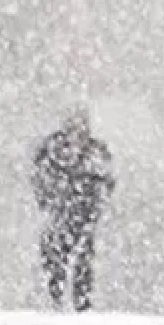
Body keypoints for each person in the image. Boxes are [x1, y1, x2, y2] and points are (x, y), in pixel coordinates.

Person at [31, 105, 115, 312]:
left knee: (82, 260)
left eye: (81, 125)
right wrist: (48, 198)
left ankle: (80, 305)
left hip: (83, 213)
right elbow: (39, 177)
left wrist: (95, 203)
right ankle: (55, 302)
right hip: (61, 213)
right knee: (55, 256)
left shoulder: (95, 151)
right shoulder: (52, 149)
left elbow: (107, 180)